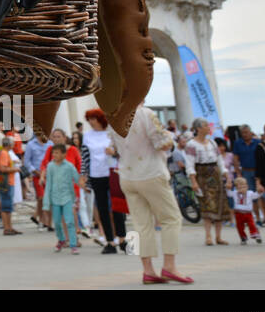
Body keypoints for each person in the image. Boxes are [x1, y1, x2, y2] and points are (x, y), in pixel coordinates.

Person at [111, 105, 191, 284]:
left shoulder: (112, 114)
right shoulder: (145, 113)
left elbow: (114, 146)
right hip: (150, 172)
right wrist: (171, 137)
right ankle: (169, 266)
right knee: (171, 218)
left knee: (141, 224)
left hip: (127, 174)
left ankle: (148, 270)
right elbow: (162, 143)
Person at [82, 109, 126, 253]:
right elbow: (85, 157)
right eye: (89, 119)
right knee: (102, 209)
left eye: (93, 118)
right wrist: (84, 176)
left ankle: (122, 238)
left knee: (117, 206)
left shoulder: (111, 132)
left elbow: (124, 152)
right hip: (96, 174)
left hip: (112, 172)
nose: (91, 121)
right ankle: (109, 241)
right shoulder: (87, 136)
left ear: (101, 119)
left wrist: (114, 153)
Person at [184, 118, 230, 245]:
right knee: (207, 205)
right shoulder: (191, 145)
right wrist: (193, 181)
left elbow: (220, 160)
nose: (208, 128)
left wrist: (226, 175)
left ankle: (218, 236)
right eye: (206, 126)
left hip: (215, 174)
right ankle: (208, 236)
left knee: (220, 204)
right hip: (202, 175)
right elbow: (190, 164)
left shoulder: (212, 143)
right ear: (198, 128)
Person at [42, 144, 80, 254]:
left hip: (67, 197)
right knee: (57, 222)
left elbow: (77, 179)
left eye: (57, 153)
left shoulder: (69, 166)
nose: (54, 155)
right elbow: (48, 184)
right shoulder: (50, 166)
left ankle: (73, 244)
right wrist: (46, 203)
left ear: (64, 154)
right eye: (53, 153)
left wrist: (84, 186)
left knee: (69, 221)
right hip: (55, 198)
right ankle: (61, 239)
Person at [233, 124, 265, 226]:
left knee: (264, 195)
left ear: (250, 132)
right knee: (252, 196)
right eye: (243, 133)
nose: (245, 135)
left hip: (258, 171)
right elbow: (235, 159)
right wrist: (238, 173)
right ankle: (258, 218)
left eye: (246, 132)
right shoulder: (238, 143)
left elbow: (263, 158)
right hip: (246, 171)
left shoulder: (258, 142)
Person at [0, 138, 22, 235]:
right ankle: (7, 228)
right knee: (6, 206)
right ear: (9, 145)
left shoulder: (4, 152)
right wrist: (15, 169)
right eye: (13, 144)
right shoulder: (4, 153)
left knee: (8, 205)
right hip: (7, 182)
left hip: (9, 182)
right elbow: (2, 168)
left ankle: (9, 227)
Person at [23, 131, 51, 228]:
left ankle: (37, 217)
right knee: (42, 197)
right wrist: (35, 171)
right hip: (37, 174)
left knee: (48, 198)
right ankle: (44, 220)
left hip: (49, 174)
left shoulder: (50, 143)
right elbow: (26, 162)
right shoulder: (31, 145)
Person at [229, 177, 262, 244]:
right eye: (240, 187)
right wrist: (228, 187)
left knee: (252, 224)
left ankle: (256, 235)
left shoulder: (250, 193)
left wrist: (259, 192)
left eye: (244, 186)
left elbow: (256, 196)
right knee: (239, 226)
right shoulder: (235, 193)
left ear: (247, 186)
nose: (242, 189)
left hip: (248, 213)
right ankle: (243, 237)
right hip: (238, 213)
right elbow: (228, 194)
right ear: (236, 188)